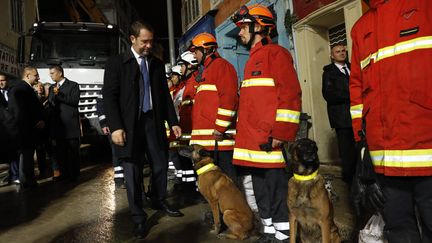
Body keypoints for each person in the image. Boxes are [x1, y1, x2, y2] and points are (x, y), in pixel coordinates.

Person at [349, 0, 432, 242]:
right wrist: (361, 141)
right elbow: (357, 89)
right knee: (397, 228)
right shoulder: (360, 28)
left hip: (426, 147)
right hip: (385, 156)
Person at [103, 20, 183, 239]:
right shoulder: (117, 63)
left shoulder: (156, 64)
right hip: (129, 127)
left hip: (152, 123)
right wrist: (117, 127)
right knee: (132, 173)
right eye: (144, 41)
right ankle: (138, 217)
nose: (149, 45)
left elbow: (164, 96)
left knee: (160, 165)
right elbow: (109, 97)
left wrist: (173, 121)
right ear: (133, 39)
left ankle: (157, 199)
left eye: (151, 41)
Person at [232, 4, 302, 242]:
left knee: (276, 189)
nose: (240, 33)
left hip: (270, 141)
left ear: (259, 27)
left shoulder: (276, 54)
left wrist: (281, 132)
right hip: (253, 142)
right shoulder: (253, 59)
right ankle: (269, 231)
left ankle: (283, 235)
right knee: (261, 190)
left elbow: (290, 95)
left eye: (243, 27)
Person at [189, 32, 239, 183]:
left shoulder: (221, 66)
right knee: (213, 187)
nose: (194, 55)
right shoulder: (207, 70)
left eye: (196, 51)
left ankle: (234, 207)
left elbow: (229, 98)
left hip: (219, 142)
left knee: (228, 186)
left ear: (206, 50)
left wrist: (220, 127)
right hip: (208, 143)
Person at [322, 44, 356, 184]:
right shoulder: (328, 72)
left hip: (357, 115)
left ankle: (362, 177)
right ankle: (350, 181)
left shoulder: (353, 67)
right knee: (346, 151)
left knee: (359, 148)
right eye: (338, 52)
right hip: (341, 118)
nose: (342, 53)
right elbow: (328, 94)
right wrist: (352, 94)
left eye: (343, 51)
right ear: (332, 55)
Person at [7, 67, 45, 189]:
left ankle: (28, 181)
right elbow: (20, 112)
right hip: (25, 130)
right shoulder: (20, 89)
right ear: (28, 75)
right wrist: (35, 122)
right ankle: (27, 182)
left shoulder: (26, 88)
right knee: (26, 157)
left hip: (28, 130)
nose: (38, 78)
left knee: (28, 157)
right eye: (36, 75)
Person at [47, 65, 81, 182]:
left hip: (70, 124)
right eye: (50, 73)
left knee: (73, 151)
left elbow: (74, 101)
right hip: (58, 125)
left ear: (60, 73)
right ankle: (63, 173)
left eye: (52, 73)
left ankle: (74, 174)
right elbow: (51, 103)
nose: (50, 76)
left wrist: (59, 95)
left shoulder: (73, 85)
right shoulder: (52, 87)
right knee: (60, 152)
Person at [96, 93, 125, 189]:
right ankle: (119, 179)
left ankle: (125, 176)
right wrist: (104, 124)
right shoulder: (106, 88)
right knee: (116, 150)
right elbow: (100, 107)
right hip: (112, 125)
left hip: (123, 123)